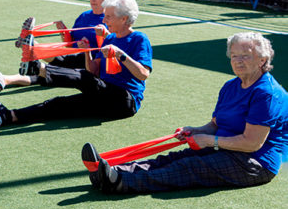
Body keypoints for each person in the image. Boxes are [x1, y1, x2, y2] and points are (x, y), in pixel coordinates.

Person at [83, 32, 287, 193]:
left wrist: (209, 141)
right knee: (174, 158)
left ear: (262, 60)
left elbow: (252, 143)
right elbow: (216, 124)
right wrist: (196, 130)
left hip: (254, 162)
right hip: (225, 147)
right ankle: (113, 171)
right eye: (234, 56)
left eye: (245, 56)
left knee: (190, 167)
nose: (238, 61)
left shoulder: (267, 94)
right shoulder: (230, 86)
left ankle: (119, 182)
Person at [0, 0, 152, 127]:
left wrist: (121, 55)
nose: (104, 20)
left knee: (83, 77)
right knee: (59, 104)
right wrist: (87, 52)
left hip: (124, 100)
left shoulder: (139, 39)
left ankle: (39, 68)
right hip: (103, 94)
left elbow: (143, 74)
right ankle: (9, 116)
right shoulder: (110, 38)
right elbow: (93, 71)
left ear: (124, 19)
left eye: (109, 16)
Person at [0, 0, 117, 91]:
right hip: (72, 58)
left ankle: (32, 45)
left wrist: (104, 35)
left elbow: (114, 47)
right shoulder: (84, 16)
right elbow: (69, 44)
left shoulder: (111, 20)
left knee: (58, 64)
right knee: (42, 74)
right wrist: (64, 32)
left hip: (91, 64)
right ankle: (4, 79)